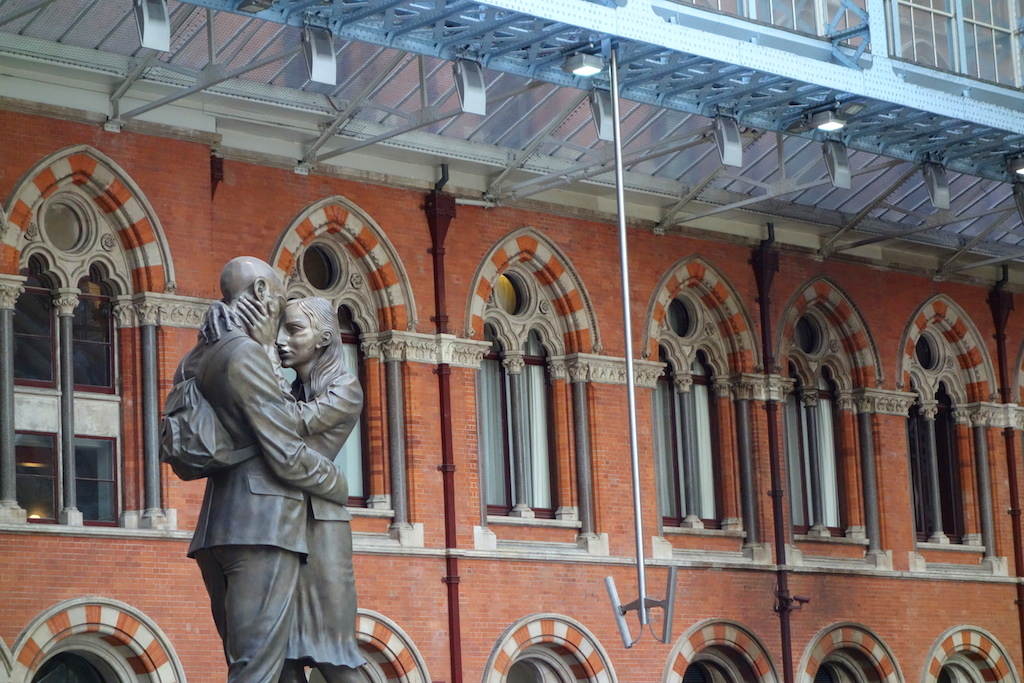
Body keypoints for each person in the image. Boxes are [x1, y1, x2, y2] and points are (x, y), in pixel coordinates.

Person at [173, 257, 350, 683]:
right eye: (276, 298)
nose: (278, 309)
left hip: (216, 530)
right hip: (262, 529)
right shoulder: (246, 355)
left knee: (260, 664)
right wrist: (336, 482)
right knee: (258, 669)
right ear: (256, 295)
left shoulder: (197, 357)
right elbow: (285, 451)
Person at [271, 297, 367, 683]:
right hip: (281, 525)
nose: (280, 340)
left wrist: (263, 382)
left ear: (324, 338)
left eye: (293, 330)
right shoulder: (292, 390)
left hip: (321, 530)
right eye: (280, 330)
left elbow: (292, 424)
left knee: (334, 652)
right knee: (282, 656)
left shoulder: (345, 388)